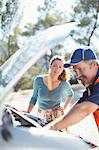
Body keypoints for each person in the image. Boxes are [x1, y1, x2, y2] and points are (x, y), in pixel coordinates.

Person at [46, 47, 99, 130]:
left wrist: (50, 129)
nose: (77, 76)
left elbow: (85, 109)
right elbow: (77, 108)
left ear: (94, 65)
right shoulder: (92, 88)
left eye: (80, 69)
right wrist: (57, 123)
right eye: (75, 71)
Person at [27, 55, 74, 123]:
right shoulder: (38, 80)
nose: (57, 69)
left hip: (57, 115)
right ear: (50, 66)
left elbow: (70, 94)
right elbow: (34, 98)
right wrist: (28, 112)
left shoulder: (63, 83)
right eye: (55, 66)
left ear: (62, 70)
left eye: (60, 67)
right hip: (41, 114)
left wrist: (64, 107)